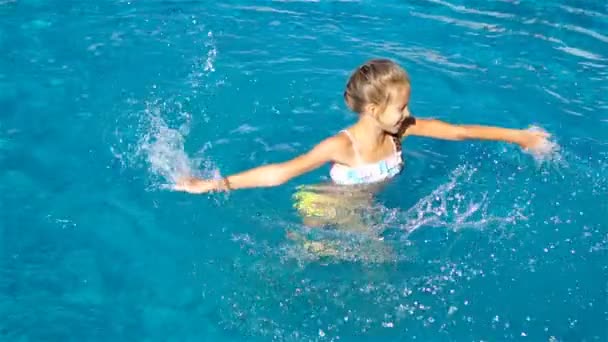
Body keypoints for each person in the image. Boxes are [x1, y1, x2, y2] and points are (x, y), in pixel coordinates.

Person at [174, 58, 550, 195]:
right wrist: (211, 184)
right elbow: (280, 173)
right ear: (372, 108)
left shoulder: (402, 130)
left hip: (366, 212)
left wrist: (521, 137)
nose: (408, 112)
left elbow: (458, 131)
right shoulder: (342, 146)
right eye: (401, 106)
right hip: (327, 211)